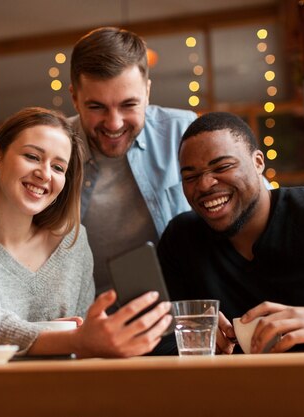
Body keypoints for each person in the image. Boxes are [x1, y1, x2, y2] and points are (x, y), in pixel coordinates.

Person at [0, 107, 171, 358]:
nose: (44, 174)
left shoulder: (73, 242)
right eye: (32, 156)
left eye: (58, 167)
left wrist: (83, 339)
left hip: (64, 393)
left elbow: (84, 344)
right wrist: (72, 338)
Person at [157, 111, 304, 355]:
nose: (205, 184)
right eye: (191, 176)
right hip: (240, 391)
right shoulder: (181, 239)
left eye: (223, 166)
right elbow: (157, 339)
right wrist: (193, 343)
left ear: (258, 162)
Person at [69, 26, 196, 295]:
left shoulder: (184, 133)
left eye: (129, 105)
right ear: (74, 98)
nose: (114, 123)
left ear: (147, 92)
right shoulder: (54, 146)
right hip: (85, 321)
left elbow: (259, 205)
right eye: (96, 106)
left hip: (176, 314)